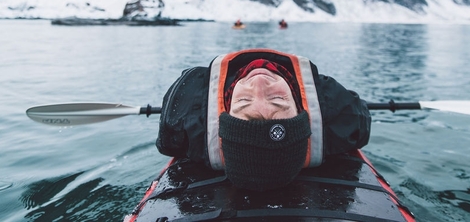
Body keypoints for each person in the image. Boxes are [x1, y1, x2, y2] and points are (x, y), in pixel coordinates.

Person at [156, 48, 371, 191]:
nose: (259, 82)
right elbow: (361, 123)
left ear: (227, 109)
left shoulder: (185, 115)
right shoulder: (339, 112)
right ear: (299, 106)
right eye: (278, 99)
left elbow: (167, 143)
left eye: (243, 101)